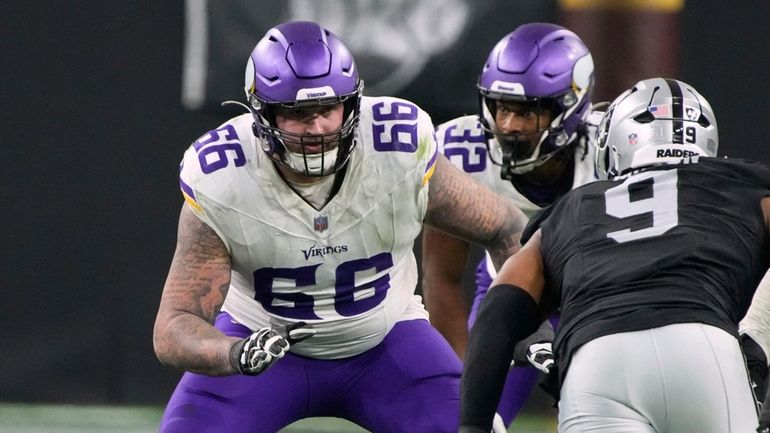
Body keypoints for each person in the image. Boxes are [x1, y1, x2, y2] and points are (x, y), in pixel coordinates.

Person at [152, 20, 528, 433]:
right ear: (262, 112)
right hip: (263, 342)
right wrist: (234, 353)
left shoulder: (396, 149)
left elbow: (506, 227)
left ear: (351, 104)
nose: (316, 129)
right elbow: (175, 324)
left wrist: (525, 326)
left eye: (327, 110)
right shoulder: (223, 176)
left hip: (386, 340)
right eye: (298, 114)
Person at [459, 77, 770, 433]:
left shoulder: (569, 210)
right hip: (701, 348)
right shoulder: (744, 184)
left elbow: (496, 315)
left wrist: (473, 426)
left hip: (596, 360)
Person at [421, 22, 598, 425]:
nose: (511, 125)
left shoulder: (612, 149)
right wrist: (469, 379)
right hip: (508, 296)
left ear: (570, 108)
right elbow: (443, 279)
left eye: (528, 111)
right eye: (502, 108)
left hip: (599, 298)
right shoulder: (462, 149)